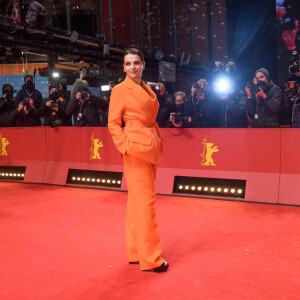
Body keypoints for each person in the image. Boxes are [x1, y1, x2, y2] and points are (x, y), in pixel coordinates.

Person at [108, 48, 168, 273]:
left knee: (136, 203)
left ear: (143, 65)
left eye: (136, 63)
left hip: (150, 145)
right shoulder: (119, 90)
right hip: (135, 149)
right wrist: (125, 146)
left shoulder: (146, 88)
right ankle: (152, 259)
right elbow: (113, 123)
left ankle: (136, 252)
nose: (132, 67)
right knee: (146, 203)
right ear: (123, 67)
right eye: (128, 64)